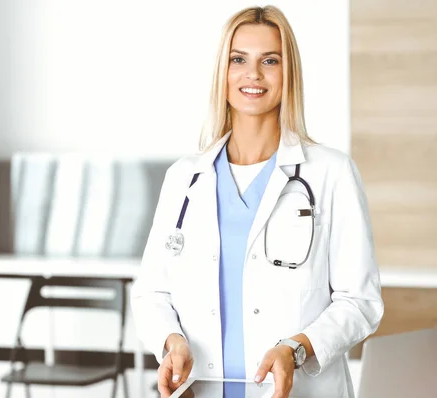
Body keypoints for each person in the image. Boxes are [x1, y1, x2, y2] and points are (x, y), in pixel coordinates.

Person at [130, 5, 384, 398]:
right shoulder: (185, 177)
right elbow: (152, 293)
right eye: (238, 59)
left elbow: (359, 301)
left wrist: (295, 349)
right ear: (223, 72)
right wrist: (172, 341)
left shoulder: (331, 173)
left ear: (289, 73)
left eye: (270, 60)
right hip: (202, 389)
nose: (253, 74)